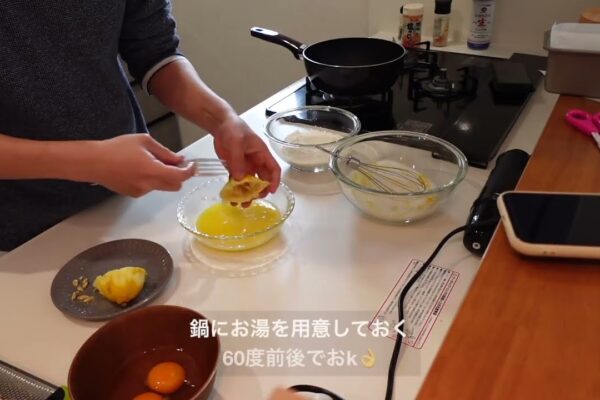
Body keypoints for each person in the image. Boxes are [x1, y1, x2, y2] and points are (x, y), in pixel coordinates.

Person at [0, 1, 281, 251]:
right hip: (18, 232)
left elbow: (154, 50)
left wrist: (223, 120)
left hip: (126, 203)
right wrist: (91, 162)